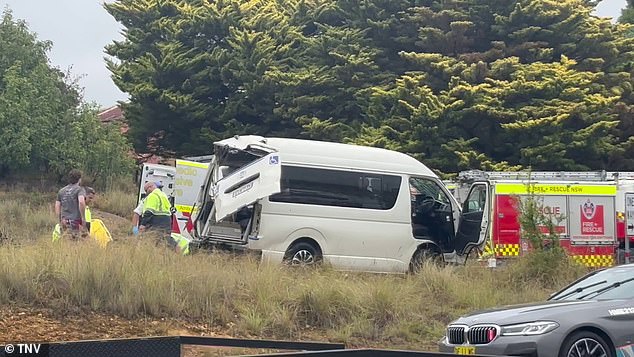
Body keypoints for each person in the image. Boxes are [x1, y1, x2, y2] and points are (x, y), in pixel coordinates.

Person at [55, 169, 88, 239]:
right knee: (79, 241)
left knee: (66, 240)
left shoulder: (61, 191)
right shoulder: (80, 190)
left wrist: (59, 220)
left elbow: (57, 207)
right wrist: (83, 218)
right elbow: (81, 202)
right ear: (79, 179)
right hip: (76, 221)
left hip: (64, 221)